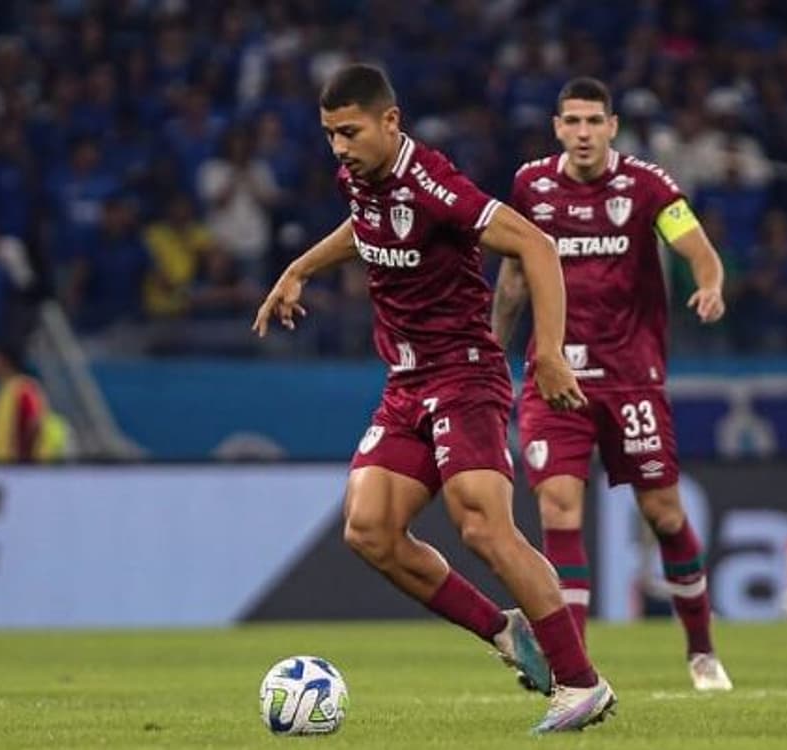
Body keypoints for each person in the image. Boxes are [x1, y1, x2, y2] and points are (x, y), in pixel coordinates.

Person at [251, 64, 615, 733]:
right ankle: (503, 632)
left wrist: (549, 350)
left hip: (465, 376)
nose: (339, 147)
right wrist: (299, 268)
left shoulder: (435, 186)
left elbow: (535, 246)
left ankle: (581, 682)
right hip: (406, 384)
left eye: (351, 132)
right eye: (331, 134)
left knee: (481, 523)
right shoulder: (360, 176)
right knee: (369, 529)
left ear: (391, 122)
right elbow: (365, 228)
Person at [491, 77, 734, 692]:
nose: (582, 133)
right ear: (556, 128)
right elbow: (515, 277)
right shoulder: (530, 186)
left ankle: (701, 651)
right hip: (554, 373)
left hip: (632, 380)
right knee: (558, 508)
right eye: (571, 121)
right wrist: (493, 347)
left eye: (593, 122)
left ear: (613, 126)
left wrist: (709, 283)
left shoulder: (648, 186)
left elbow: (696, 247)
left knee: (664, 513)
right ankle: (575, 669)